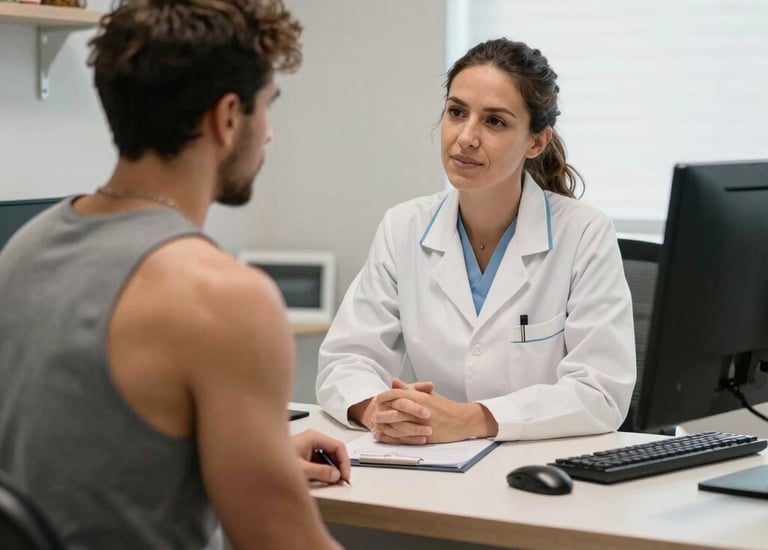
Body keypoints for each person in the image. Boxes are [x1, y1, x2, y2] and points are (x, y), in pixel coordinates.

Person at [0, 1, 348, 549]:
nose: (269, 135)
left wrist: (259, 454)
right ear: (227, 118)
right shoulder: (224, 298)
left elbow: (79, 459)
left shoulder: (24, 248)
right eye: (267, 108)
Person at [316, 38, 636, 445]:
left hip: (540, 463)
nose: (466, 137)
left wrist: (472, 419)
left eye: (495, 122)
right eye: (457, 112)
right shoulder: (403, 227)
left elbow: (600, 392)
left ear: (536, 142)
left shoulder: (584, 233)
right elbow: (346, 359)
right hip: (429, 459)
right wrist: (379, 410)